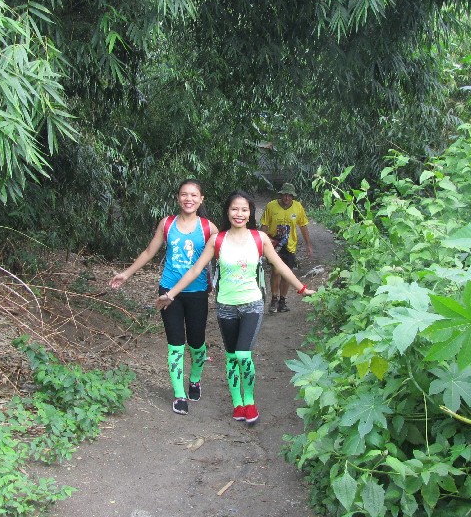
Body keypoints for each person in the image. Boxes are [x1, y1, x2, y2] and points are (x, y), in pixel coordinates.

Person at [157, 191, 316, 424]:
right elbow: (195, 270)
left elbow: (280, 265)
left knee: (243, 354)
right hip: (226, 306)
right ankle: (237, 403)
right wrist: (170, 294)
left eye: (244, 209)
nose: (239, 214)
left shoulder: (259, 238)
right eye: (234, 209)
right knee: (231, 356)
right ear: (227, 212)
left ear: (250, 213)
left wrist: (302, 289)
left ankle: (250, 402)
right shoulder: (217, 240)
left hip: (252, 304)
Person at [110, 179, 218, 416]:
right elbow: (150, 251)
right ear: (178, 198)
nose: (189, 199)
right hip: (168, 292)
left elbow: (223, 254)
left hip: (197, 292)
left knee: (197, 342)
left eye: (194, 195)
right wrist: (126, 274)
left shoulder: (209, 228)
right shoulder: (167, 224)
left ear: (201, 199)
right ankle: (179, 394)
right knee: (175, 343)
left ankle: (195, 379)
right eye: (184, 194)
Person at [259, 182, 313, 315]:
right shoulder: (271, 206)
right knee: (276, 271)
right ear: (280, 195)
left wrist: (308, 244)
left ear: (293, 197)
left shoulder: (298, 207)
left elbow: (303, 226)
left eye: (289, 196)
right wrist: (262, 242)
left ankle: (282, 301)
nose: (286, 198)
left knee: (287, 273)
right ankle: (274, 299)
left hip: (290, 246)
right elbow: (264, 225)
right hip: (274, 245)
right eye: (284, 195)